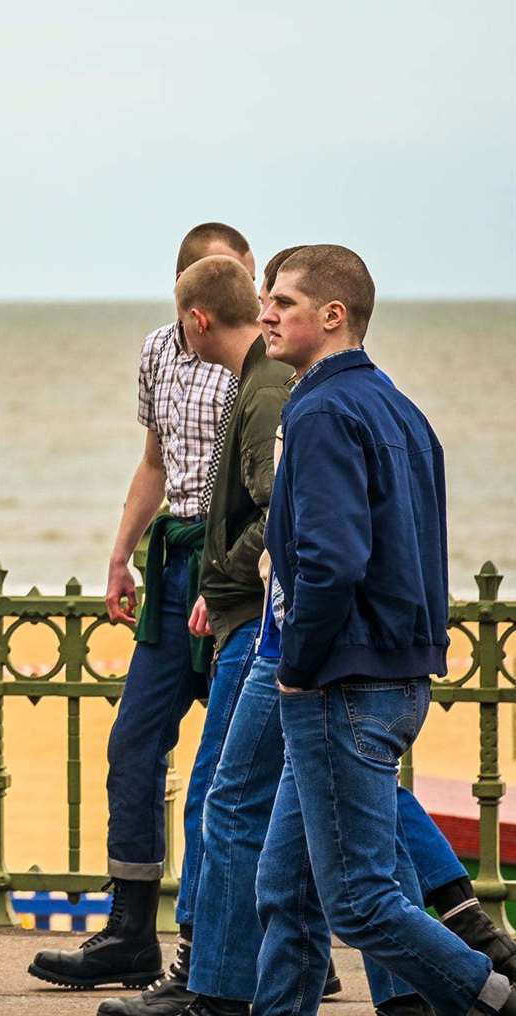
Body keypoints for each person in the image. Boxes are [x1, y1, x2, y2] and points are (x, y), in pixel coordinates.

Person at [251, 245, 516, 1015]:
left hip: (340, 683)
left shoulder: (320, 409)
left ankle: (493, 999)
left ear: (332, 316)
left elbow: (330, 560)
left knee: (361, 902)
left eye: (283, 302)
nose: (264, 311)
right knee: (284, 884)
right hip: (392, 676)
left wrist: (298, 664)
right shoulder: (396, 406)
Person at [31, 223, 252, 990]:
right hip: (174, 559)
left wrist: (226, 579)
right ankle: (130, 931)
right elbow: (155, 460)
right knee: (133, 744)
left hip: (237, 572)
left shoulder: (263, 360)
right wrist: (118, 556)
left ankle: (228, 944)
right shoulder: (159, 350)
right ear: (190, 297)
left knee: (233, 767)